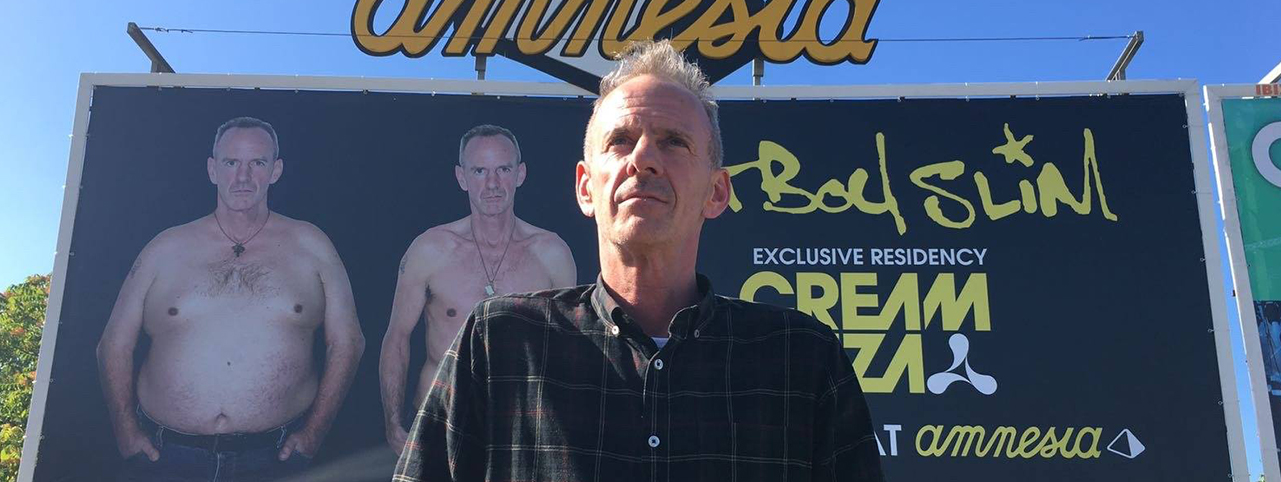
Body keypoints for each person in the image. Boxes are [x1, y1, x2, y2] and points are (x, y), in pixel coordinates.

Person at [394, 41, 884, 481]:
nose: (643, 158)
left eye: (674, 141)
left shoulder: (801, 360)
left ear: (717, 192)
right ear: (586, 188)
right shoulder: (499, 343)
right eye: (620, 141)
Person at [97, 116, 366, 481]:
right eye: (231, 162)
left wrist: (314, 432)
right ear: (212, 169)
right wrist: (125, 431)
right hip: (165, 457)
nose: (243, 177)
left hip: (275, 459)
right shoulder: (165, 248)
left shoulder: (312, 246)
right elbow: (113, 344)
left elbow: (348, 342)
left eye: (257, 163)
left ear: (275, 170)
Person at [379, 124, 577, 453]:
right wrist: (393, 424)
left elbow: (567, 349)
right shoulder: (430, 250)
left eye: (503, 170)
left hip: (519, 431)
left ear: (520, 174)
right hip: (439, 422)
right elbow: (397, 337)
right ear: (462, 177)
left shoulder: (551, 254)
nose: (493, 184)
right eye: (480, 171)